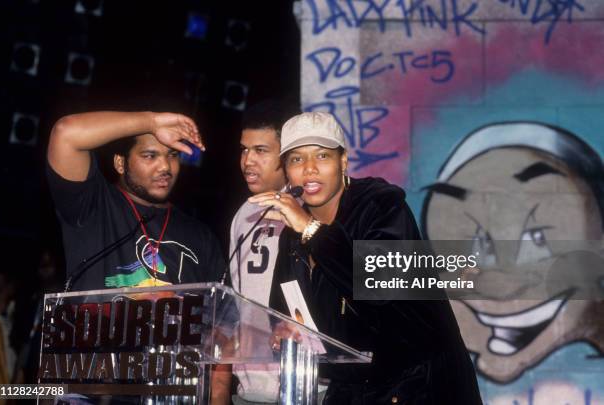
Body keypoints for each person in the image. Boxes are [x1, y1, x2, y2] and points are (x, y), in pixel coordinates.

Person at [249, 112, 482, 404]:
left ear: (343, 161)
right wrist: (281, 331)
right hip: (356, 386)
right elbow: (282, 312)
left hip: (420, 384)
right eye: (296, 159)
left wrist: (311, 230)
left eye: (322, 156)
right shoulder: (291, 236)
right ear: (286, 171)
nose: (309, 169)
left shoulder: (381, 207)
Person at [46, 111, 230, 404]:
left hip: (170, 392)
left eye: (171, 156)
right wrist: (151, 122)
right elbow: (66, 133)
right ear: (120, 163)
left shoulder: (201, 236)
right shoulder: (93, 207)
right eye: (149, 155)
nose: (165, 167)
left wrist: (217, 396)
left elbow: (221, 333)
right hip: (90, 390)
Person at [228, 101, 297, 404]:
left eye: (260, 151)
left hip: (301, 384)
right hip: (248, 389)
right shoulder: (244, 212)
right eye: (244, 150)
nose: (247, 161)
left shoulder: (310, 209)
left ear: (287, 156)